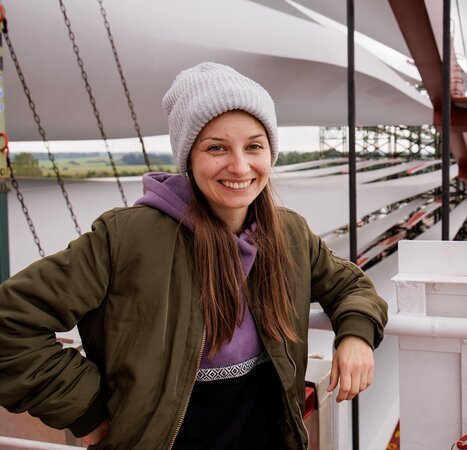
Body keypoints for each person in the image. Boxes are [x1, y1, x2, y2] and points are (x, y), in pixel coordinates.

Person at [0, 62, 388, 449]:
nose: (240, 166)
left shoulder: (289, 234)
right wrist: (87, 411)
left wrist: (356, 334)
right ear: (188, 157)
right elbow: (11, 323)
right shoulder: (127, 238)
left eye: (254, 146)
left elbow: (350, 285)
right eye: (216, 148)